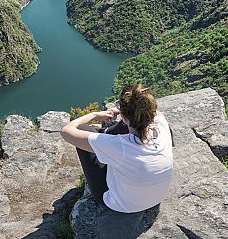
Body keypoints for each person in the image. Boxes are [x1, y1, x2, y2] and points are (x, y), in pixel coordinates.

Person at [60, 84, 173, 214]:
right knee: (135, 124)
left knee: (82, 131)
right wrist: (124, 110)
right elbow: (149, 113)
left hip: (122, 204)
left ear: (124, 116)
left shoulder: (119, 146)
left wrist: (95, 115)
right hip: (156, 198)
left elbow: (66, 131)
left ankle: (105, 133)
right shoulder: (162, 124)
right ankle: (108, 131)